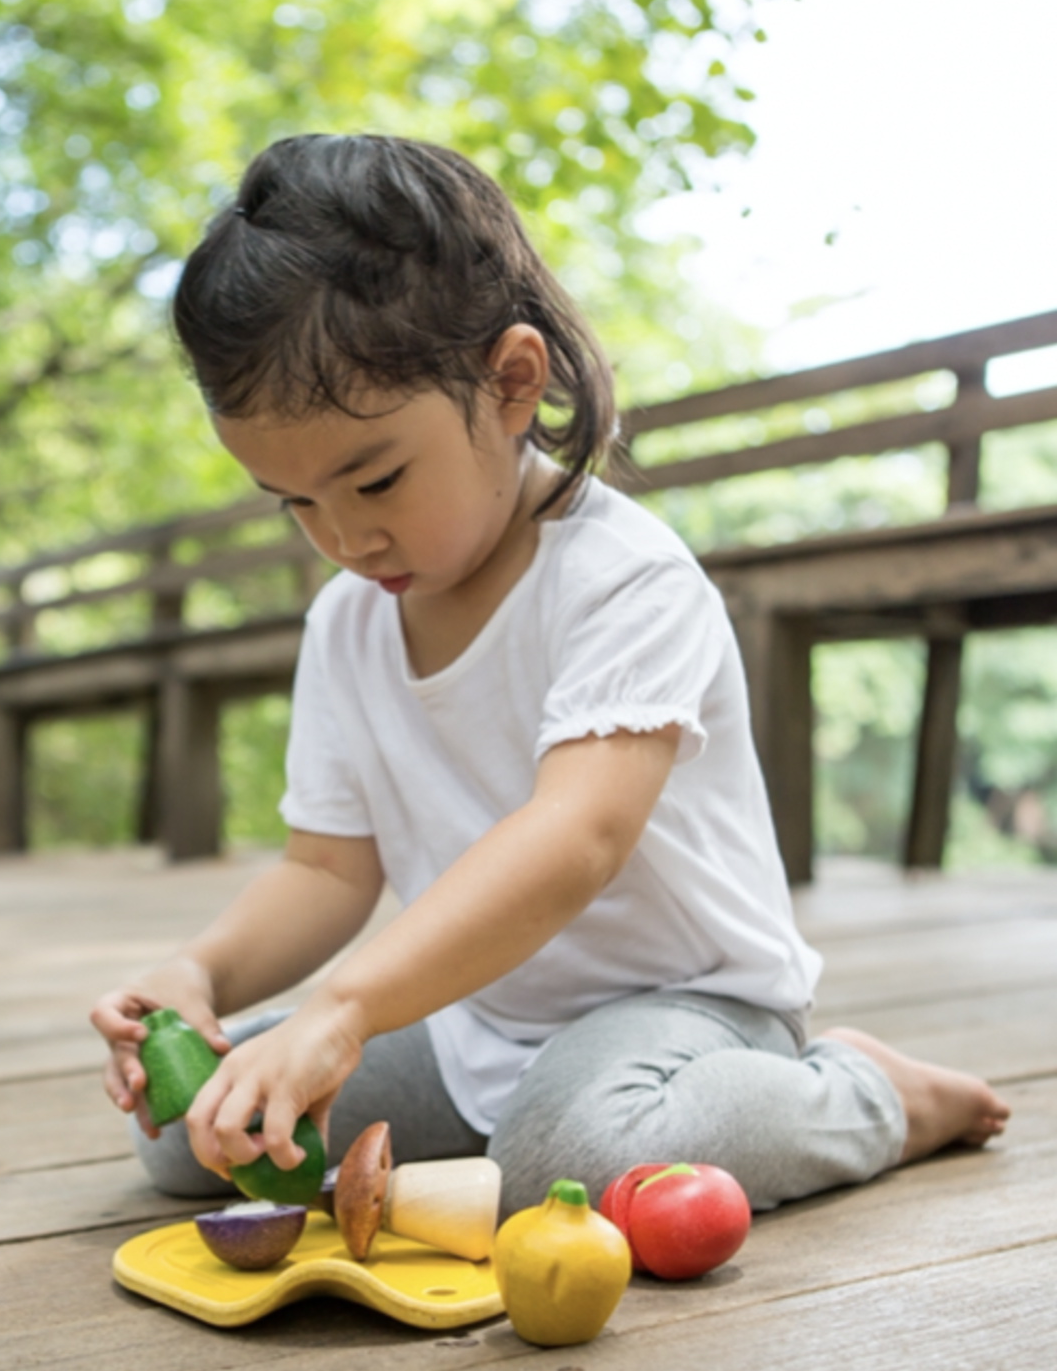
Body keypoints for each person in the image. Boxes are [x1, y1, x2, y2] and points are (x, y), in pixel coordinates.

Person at [89, 133, 1009, 1217]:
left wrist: (342, 1007)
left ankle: (865, 1093)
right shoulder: (346, 621)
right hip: (473, 1011)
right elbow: (327, 870)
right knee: (200, 1140)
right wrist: (204, 975)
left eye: (375, 478)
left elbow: (574, 840)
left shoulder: (622, 579)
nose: (342, 537)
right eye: (292, 502)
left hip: (686, 1009)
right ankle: (498, 1106)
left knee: (562, 1162)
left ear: (511, 383)